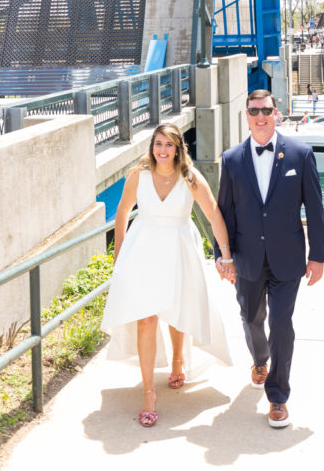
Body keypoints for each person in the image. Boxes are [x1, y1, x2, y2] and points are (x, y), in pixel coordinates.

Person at [101, 123, 235, 428]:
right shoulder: (139, 175)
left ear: (178, 148)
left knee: (178, 310)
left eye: (169, 145)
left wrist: (226, 255)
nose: (162, 150)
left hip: (178, 247)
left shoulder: (190, 178)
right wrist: (118, 256)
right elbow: (122, 212)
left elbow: (213, 214)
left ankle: (177, 362)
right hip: (143, 250)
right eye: (158, 143)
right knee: (145, 318)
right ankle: (149, 392)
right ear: (152, 146)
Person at [216, 89, 324, 428]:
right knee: (251, 319)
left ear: (275, 112)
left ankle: (278, 397)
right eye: (254, 111)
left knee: (281, 323)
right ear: (246, 116)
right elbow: (224, 212)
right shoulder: (232, 159)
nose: (260, 116)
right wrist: (223, 258)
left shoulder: (301, 154)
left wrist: (318, 255)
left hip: (288, 258)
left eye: (266, 110)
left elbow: (316, 207)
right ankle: (259, 360)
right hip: (247, 258)